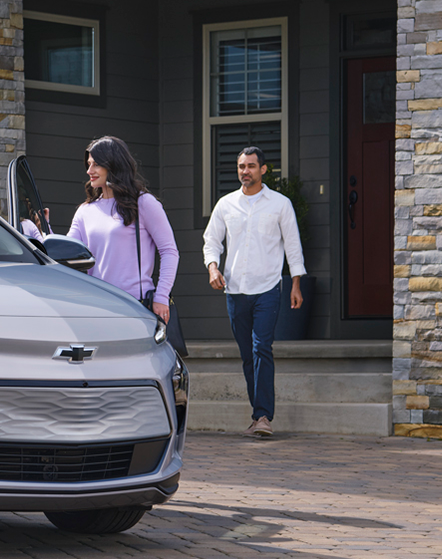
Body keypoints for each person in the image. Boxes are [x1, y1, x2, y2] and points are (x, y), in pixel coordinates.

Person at [202, 146, 305, 439]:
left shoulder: (280, 204)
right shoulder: (226, 205)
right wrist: (213, 268)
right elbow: (211, 240)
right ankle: (257, 414)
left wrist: (295, 284)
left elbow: (293, 245)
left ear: (263, 170)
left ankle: (263, 416)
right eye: (241, 166)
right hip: (235, 290)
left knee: (262, 348)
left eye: (250, 166)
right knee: (248, 354)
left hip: (268, 289)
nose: (245, 171)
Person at [65, 136, 178, 324]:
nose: (89, 171)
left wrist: (161, 296)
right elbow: (66, 252)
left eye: (95, 165)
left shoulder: (143, 202)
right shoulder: (85, 210)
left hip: (135, 306)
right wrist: (42, 230)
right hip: (97, 305)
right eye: (88, 164)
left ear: (113, 165)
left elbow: (169, 251)